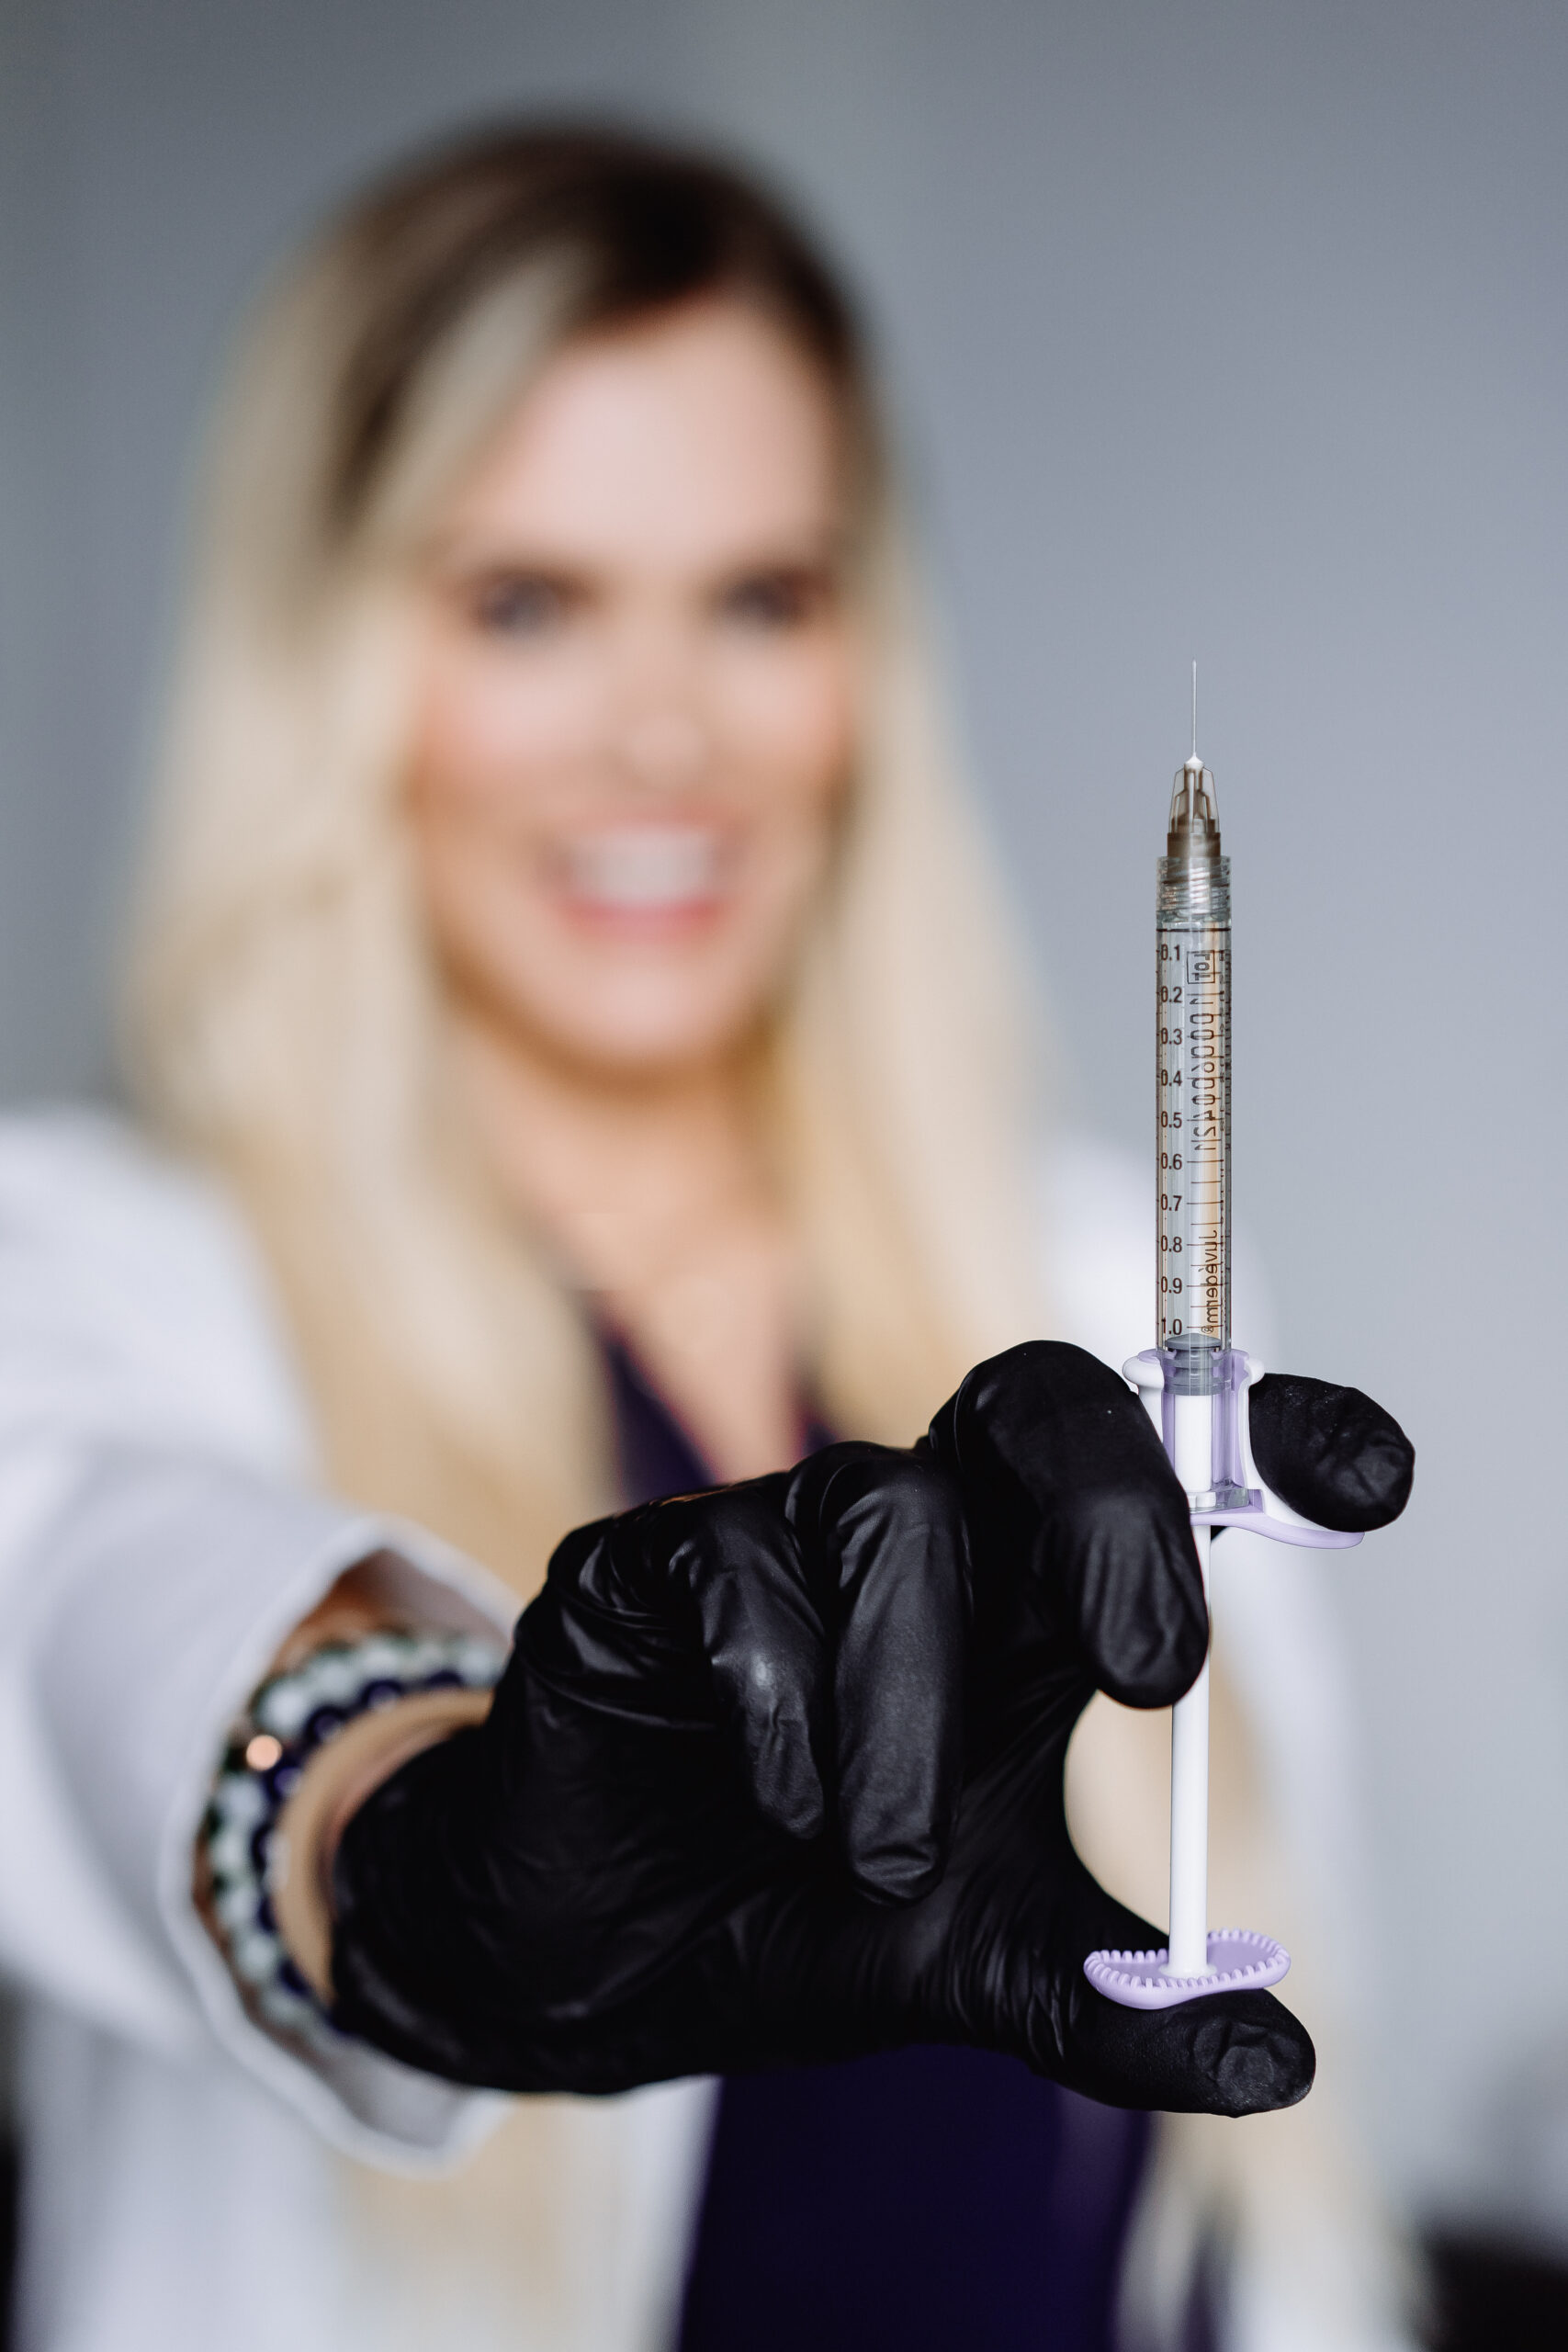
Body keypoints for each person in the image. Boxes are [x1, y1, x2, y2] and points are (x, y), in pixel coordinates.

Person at [0, 125, 1411, 2352]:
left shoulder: (1078, 1273)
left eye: (760, 596)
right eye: (525, 601)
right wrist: (403, 1844)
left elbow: (1269, 2225)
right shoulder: (78, 1270)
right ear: (329, 657)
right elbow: (89, 1598)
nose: (663, 731)